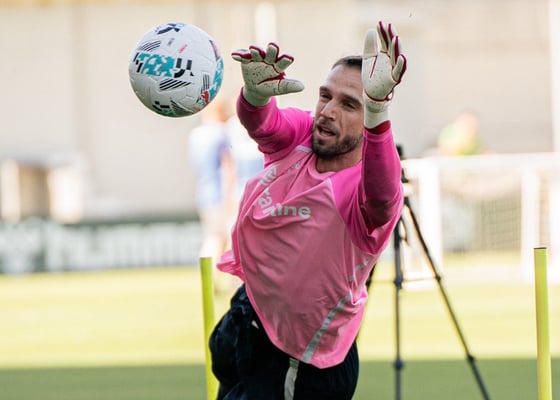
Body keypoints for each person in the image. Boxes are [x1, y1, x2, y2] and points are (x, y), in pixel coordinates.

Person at [209, 21, 407, 400]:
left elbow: (383, 197)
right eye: (325, 96)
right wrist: (254, 96)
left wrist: (378, 113)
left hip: (298, 359)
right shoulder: (303, 135)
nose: (328, 111)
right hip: (250, 313)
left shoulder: (364, 189)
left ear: (369, 116)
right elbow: (265, 125)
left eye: (349, 104)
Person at [187, 96, 235, 282]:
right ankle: (227, 279)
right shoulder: (222, 133)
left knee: (212, 235)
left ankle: (208, 279)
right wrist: (230, 196)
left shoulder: (196, 134)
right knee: (224, 237)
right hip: (220, 193)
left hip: (203, 192)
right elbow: (228, 166)